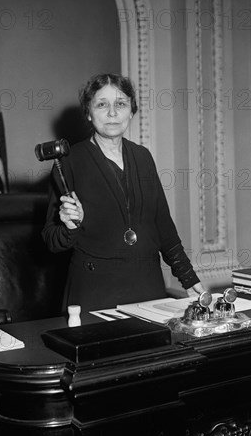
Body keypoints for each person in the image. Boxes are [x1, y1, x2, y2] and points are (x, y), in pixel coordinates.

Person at [42, 72, 208, 312]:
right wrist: (69, 225)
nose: (112, 113)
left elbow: (163, 227)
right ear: (88, 113)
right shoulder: (68, 162)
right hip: (95, 292)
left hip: (148, 287)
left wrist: (188, 278)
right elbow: (51, 240)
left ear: (132, 111)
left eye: (121, 104)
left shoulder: (143, 157)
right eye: (102, 105)